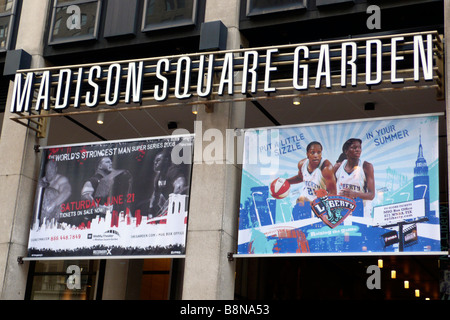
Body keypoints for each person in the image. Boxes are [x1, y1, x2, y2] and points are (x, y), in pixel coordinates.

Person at [334, 138, 375, 220]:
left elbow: (371, 195)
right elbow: (330, 191)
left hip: (361, 209)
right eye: (354, 147)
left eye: (359, 147)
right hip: (342, 209)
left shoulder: (366, 166)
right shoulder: (338, 167)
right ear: (346, 151)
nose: (358, 150)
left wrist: (354, 194)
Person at [148, 150, 188, 217]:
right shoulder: (158, 176)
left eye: (158, 160)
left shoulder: (172, 170)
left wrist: (171, 203)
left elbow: (180, 185)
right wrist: (151, 210)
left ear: (166, 160)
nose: (155, 163)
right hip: (169, 211)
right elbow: (155, 195)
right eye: (154, 161)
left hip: (180, 211)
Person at [36, 161, 72, 226]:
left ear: (56, 169)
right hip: (39, 217)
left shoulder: (60, 180)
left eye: (51, 169)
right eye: (47, 170)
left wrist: (54, 203)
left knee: (51, 192)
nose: (49, 172)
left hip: (55, 217)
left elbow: (66, 191)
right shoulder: (41, 181)